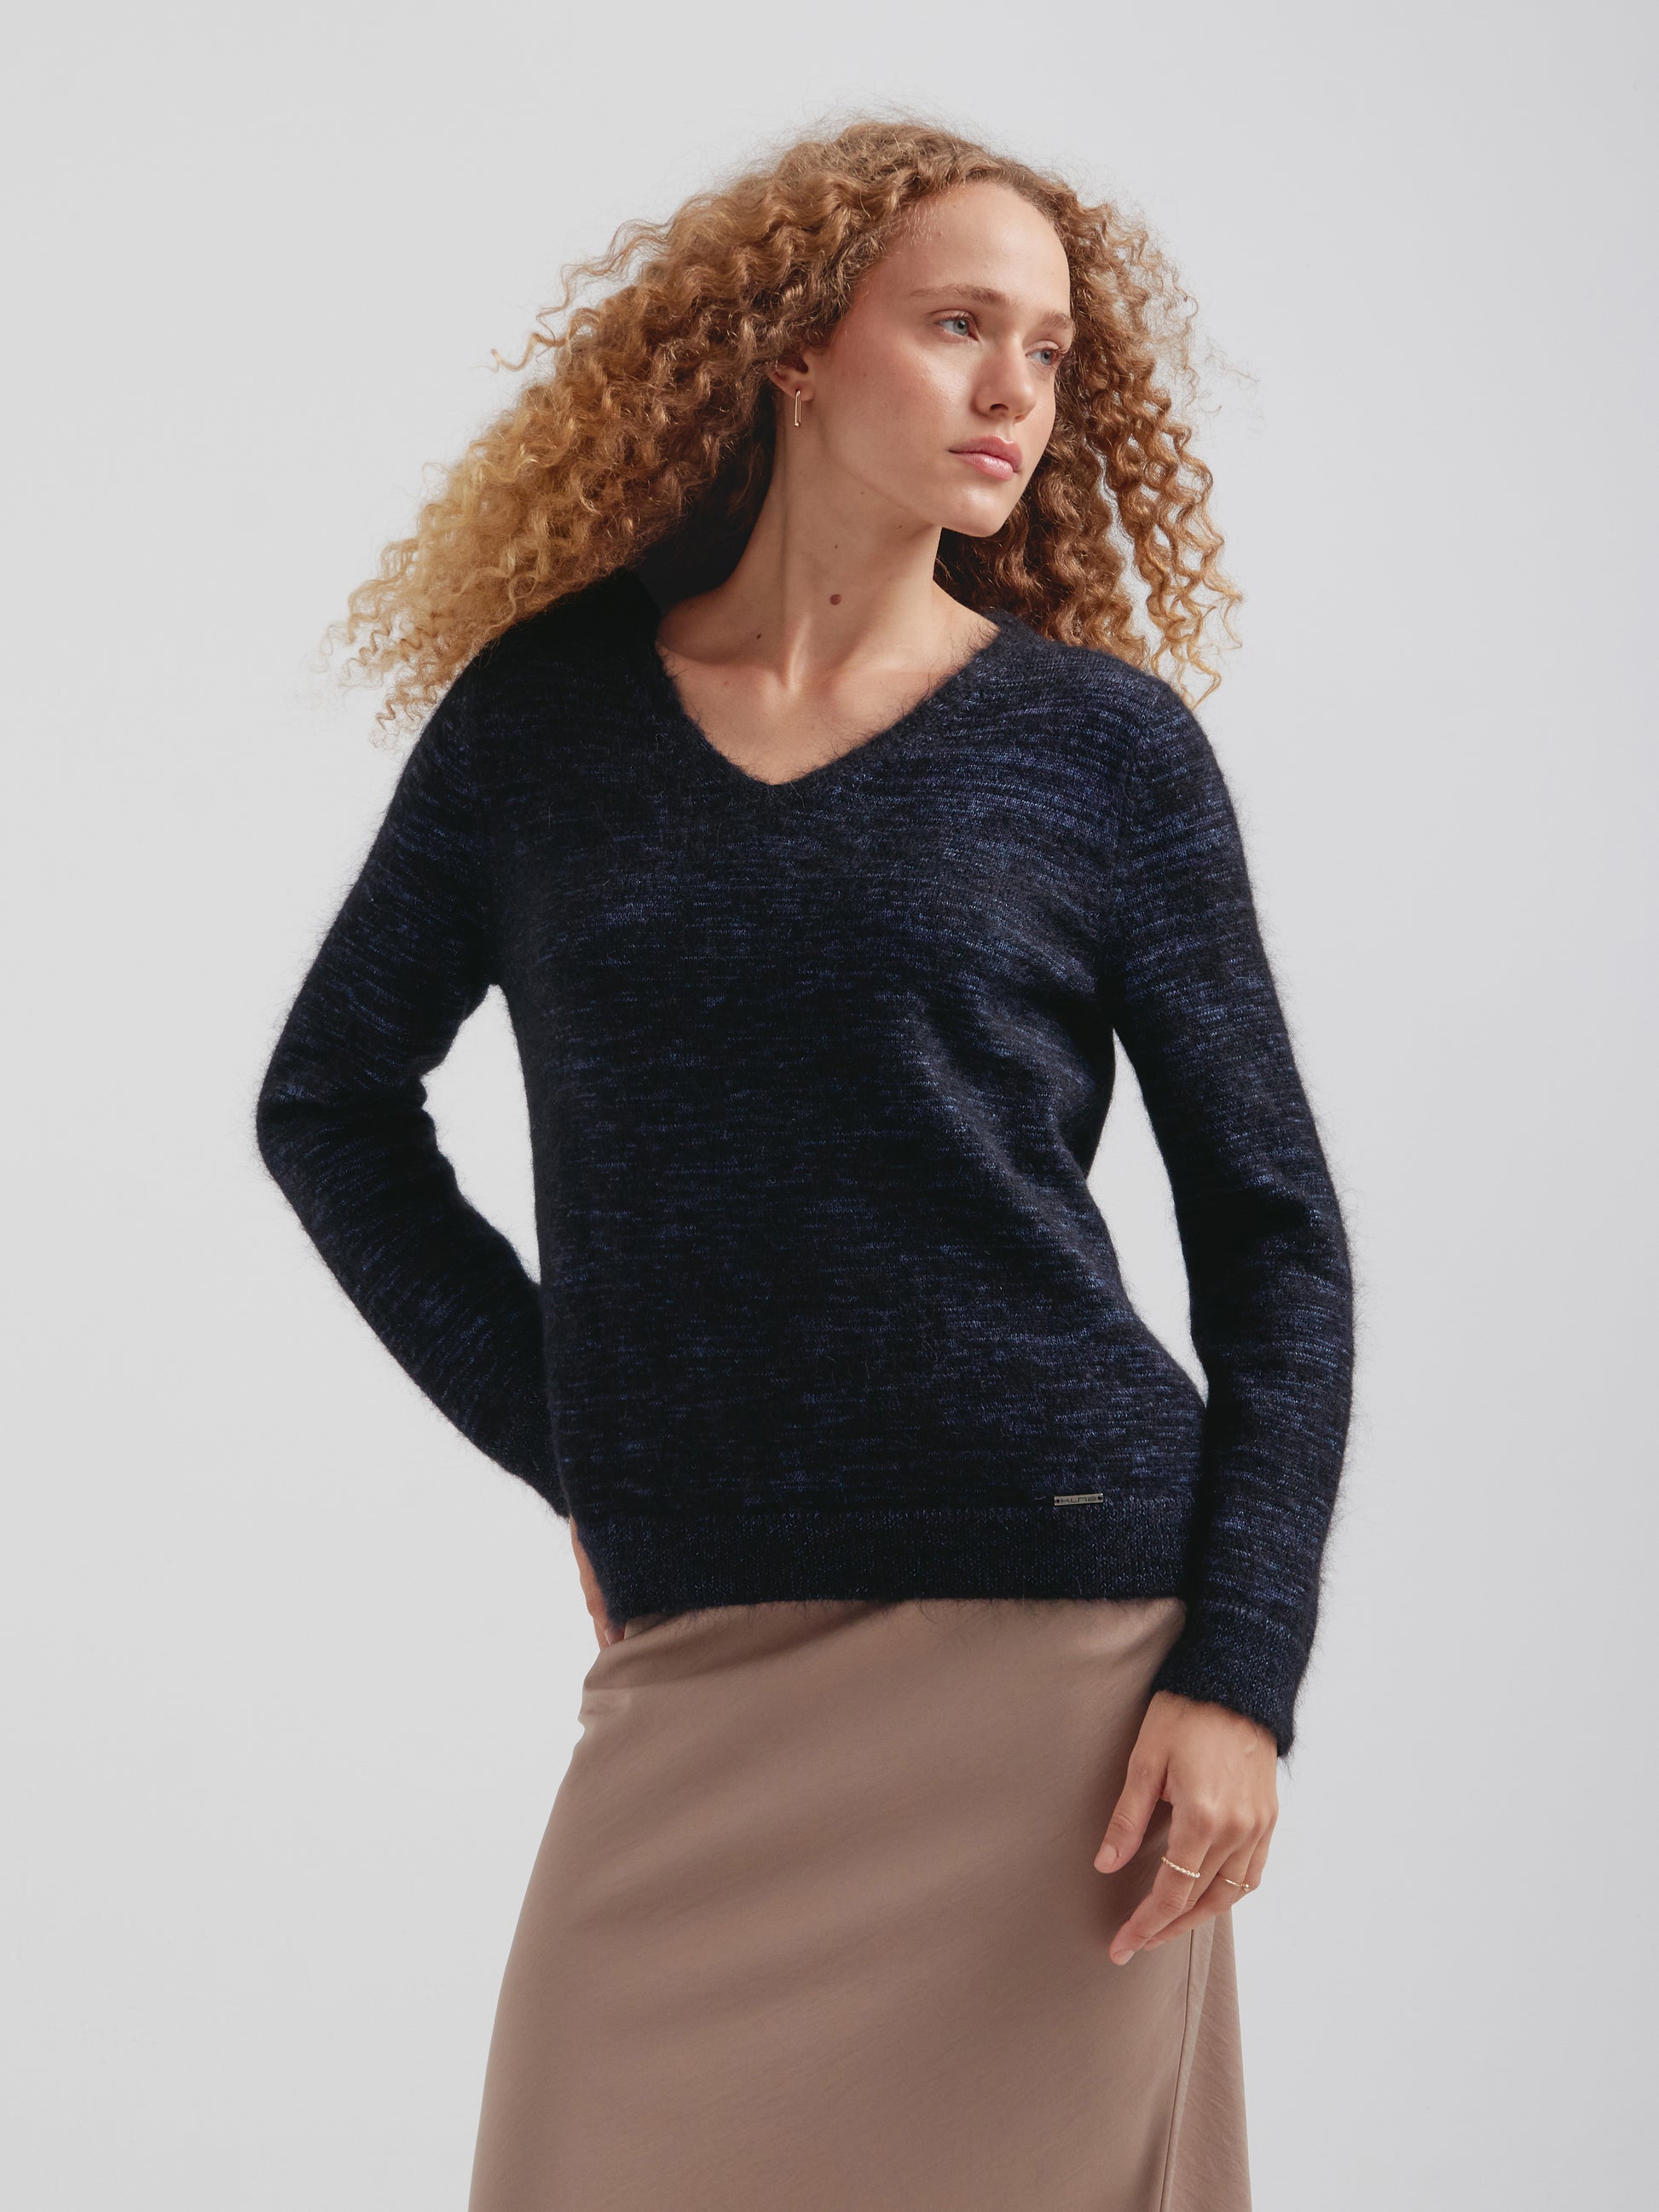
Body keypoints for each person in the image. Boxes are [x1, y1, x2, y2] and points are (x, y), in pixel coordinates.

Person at [255, 117, 1354, 2212]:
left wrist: (1241, 1675)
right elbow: (329, 1104)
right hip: (706, 1655)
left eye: (1050, 349)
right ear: (788, 348)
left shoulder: (1101, 753)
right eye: (957, 327)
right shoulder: (544, 727)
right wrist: (583, 1438)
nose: (1017, 389)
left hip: (1066, 1661)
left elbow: (1274, 1239)